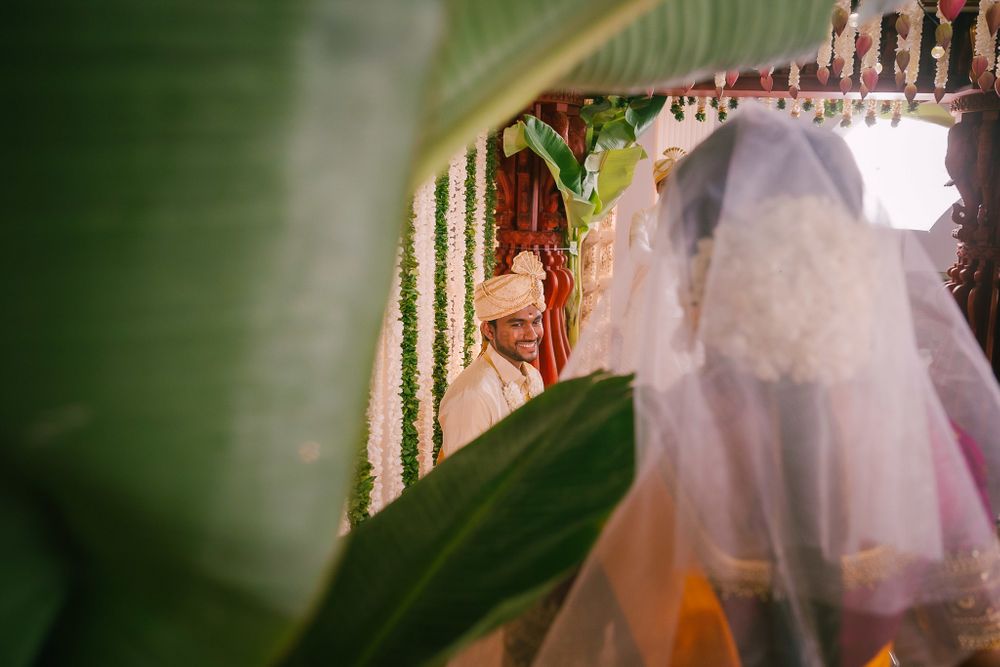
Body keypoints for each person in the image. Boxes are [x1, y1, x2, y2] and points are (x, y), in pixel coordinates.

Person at [537, 105, 1000, 666]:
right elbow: (975, 648)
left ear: (690, 281)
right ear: (846, 263)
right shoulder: (926, 451)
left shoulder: (625, 448)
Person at [437, 250, 546, 461]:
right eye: (517, 324)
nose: (531, 334)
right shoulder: (473, 395)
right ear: (489, 330)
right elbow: (462, 483)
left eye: (536, 321)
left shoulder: (532, 377)